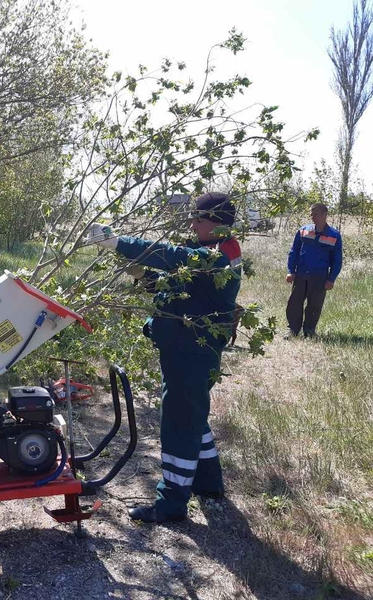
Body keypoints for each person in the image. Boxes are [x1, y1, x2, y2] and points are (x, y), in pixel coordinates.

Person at [87, 192, 241, 524]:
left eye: (198, 219)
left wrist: (118, 242)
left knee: (180, 421)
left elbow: (173, 257)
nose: (192, 225)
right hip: (186, 349)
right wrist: (143, 276)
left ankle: (171, 502)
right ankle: (208, 482)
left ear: (217, 224)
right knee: (193, 414)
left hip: (192, 352)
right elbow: (177, 289)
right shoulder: (212, 249)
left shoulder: (219, 256)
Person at [285, 203, 342, 338]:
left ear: (324, 215)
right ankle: (293, 330)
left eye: (315, 214)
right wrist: (291, 271)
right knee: (294, 304)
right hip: (301, 275)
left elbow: (337, 260)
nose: (312, 217)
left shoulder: (334, 235)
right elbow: (294, 252)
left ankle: (309, 331)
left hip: (320, 277)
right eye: (311, 214)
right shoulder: (303, 231)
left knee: (314, 306)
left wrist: (331, 279)